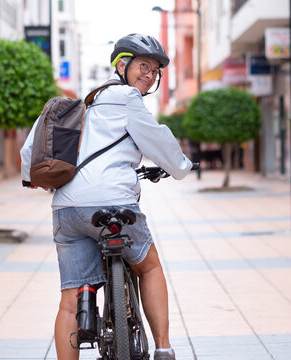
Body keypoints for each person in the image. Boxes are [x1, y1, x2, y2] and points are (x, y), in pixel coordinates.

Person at [21, 33, 193, 360]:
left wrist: (30, 178)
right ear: (122, 65)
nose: (150, 75)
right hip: (114, 201)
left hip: (67, 210)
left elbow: (29, 149)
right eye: (144, 66)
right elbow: (160, 143)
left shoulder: (78, 102)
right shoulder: (127, 99)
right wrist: (182, 167)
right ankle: (164, 349)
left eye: (156, 71)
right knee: (150, 268)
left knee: (70, 299)